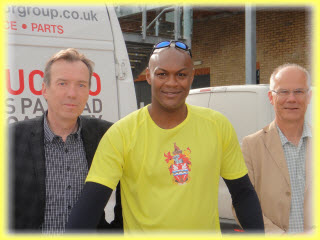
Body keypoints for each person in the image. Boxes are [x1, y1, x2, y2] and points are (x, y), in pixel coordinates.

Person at [66, 40, 264, 233]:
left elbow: (243, 194)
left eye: (181, 75)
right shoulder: (121, 134)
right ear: (149, 76)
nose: (172, 83)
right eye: (162, 74)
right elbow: (89, 207)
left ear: (192, 76)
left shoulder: (217, 126)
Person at [9, 48, 122, 233]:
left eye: (81, 85)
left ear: (88, 91)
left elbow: (130, 190)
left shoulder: (106, 135)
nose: (72, 93)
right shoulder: (12, 138)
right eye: (62, 83)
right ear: (45, 89)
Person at [237, 63, 313, 234]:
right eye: (283, 92)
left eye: (299, 91)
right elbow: (243, 205)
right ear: (271, 97)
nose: (291, 99)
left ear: (309, 97)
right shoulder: (251, 146)